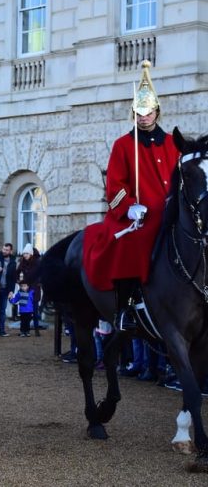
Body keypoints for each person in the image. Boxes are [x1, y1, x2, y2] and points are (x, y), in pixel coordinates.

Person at [83, 61, 180, 331]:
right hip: (142, 215)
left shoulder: (173, 143)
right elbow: (115, 186)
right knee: (130, 243)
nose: (144, 117)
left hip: (172, 212)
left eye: (148, 112)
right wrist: (129, 207)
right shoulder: (123, 145)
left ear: (157, 112)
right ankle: (127, 307)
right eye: (139, 112)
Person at [15, 243, 42, 336]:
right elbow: (17, 272)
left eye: (27, 253)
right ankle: (25, 330)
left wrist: (39, 282)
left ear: (31, 254)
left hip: (34, 289)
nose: (25, 255)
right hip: (25, 289)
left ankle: (36, 329)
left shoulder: (37, 262)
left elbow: (41, 274)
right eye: (24, 253)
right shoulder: (22, 262)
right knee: (25, 311)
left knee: (34, 310)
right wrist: (19, 281)